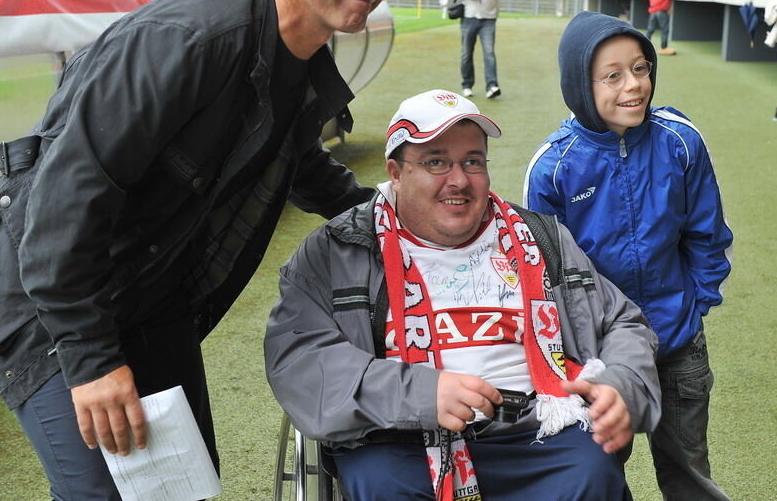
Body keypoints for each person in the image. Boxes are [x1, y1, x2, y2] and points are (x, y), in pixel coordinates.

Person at [0, 0, 410, 501]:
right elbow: (62, 202)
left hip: (151, 294)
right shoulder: (190, 40)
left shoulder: (301, 57)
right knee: (108, 493)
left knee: (178, 486)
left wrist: (405, 224)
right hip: (47, 297)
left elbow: (298, 163)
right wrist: (93, 359)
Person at [265, 89, 662, 501]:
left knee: (593, 470)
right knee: (378, 484)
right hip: (398, 437)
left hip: (537, 431)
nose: (459, 179)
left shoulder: (542, 238)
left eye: (473, 161)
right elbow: (299, 356)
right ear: (396, 172)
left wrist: (621, 382)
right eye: (436, 161)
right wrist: (420, 392)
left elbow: (622, 322)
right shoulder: (338, 250)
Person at [525, 12, 734, 501]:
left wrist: (695, 304)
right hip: (599, 354)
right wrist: (578, 347)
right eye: (613, 75)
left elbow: (707, 232)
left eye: (640, 69)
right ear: (580, 84)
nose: (633, 86)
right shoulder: (553, 169)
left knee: (689, 470)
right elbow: (544, 273)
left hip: (678, 340)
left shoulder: (681, 142)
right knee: (598, 475)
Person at [447, 0, 502, 99]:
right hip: (469, 17)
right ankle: (467, 85)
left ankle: (492, 86)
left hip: (489, 19)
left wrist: (496, 13)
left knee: (489, 53)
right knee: (466, 53)